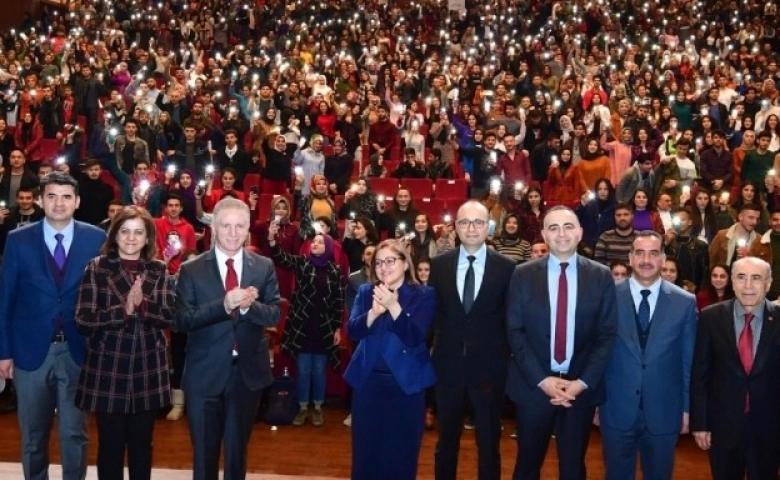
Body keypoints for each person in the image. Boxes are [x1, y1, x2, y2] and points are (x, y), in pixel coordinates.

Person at [0, 171, 106, 480]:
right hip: (30, 352)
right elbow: (5, 299)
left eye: (66, 197)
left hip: (78, 351)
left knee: (75, 433)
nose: (58, 203)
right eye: (51, 196)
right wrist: (3, 352)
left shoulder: (96, 239)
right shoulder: (18, 239)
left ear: (77, 202)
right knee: (33, 436)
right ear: (40, 200)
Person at [506, 205, 617, 480]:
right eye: (553, 228)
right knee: (527, 466)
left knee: (573, 468)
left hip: (579, 390)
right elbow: (515, 331)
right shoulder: (522, 274)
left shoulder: (602, 275)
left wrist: (581, 383)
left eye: (568, 226)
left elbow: (606, 335)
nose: (561, 234)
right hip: (534, 387)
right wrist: (542, 380)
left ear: (580, 232)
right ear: (544, 235)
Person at [173, 197, 281, 480]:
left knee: (237, 455)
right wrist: (223, 306)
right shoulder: (191, 269)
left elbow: (273, 315)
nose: (233, 233)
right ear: (214, 228)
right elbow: (182, 320)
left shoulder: (263, 266)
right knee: (205, 456)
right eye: (226, 226)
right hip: (204, 374)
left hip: (246, 376)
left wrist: (248, 307)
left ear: (248, 229)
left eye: (240, 226)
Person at [75, 205, 176, 480]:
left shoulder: (159, 269)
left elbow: (170, 316)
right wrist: (123, 311)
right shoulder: (96, 268)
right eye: (125, 231)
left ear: (147, 238)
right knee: (110, 446)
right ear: (115, 235)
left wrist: (143, 306)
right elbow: (83, 319)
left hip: (147, 370)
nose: (131, 238)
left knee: (142, 446)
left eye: (138, 232)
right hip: (109, 370)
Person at [428, 200, 516, 480]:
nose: (471, 228)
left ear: (489, 226)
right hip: (448, 367)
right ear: (455, 227)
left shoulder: (507, 267)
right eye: (464, 222)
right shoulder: (439, 265)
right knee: (446, 443)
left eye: (478, 222)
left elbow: (510, 319)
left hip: (489, 369)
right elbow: (435, 315)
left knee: (489, 444)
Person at [599, 231, 697, 480]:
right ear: (630, 258)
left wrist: (686, 408)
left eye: (653, 253)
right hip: (615, 408)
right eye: (640, 253)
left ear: (663, 259)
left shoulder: (685, 303)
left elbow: (687, 362)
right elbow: (598, 354)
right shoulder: (607, 296)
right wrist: (595, 402)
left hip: (665, 411)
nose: (646, 259)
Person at [344, 239, 437, 479]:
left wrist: (394, 307)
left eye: (390, 261)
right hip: (369, 385)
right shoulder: (366, 292)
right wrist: (374, 312)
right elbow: (352, 330)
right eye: (378, 263)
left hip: (406, 387)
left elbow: (415, 336)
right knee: (366, 454)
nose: (384, 267)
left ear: (406, 264)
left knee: (401, 455)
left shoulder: (424, 294)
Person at [691, 256, 780, 480]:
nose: (748, 285)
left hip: (770, 428)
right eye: (741, 277)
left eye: (756, 278)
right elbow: (700, 374)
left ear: (768, 283)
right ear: (732, 281)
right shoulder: (711, 317)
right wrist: (700, 423)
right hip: (723, 426)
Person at [267, 225, 345, 426]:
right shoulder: (303, 263)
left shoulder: (334, 270)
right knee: (303, 369)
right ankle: (302, 407)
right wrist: (272, 240)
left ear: (327, 247)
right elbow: (281, 257)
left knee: (319, 370)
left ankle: (318, 407)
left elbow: (338, 301)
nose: (315, 244)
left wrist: (337, 327)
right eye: (313, 242)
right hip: (303, 325)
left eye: (320, 242)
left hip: (323, 327)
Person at [709, 203, 761, 268]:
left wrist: (749, 258)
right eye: (751, 218)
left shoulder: (759, 240)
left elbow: (763, 268)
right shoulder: (722, 236)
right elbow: (711, 260)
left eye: (757, 219)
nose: (754, 222)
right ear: (740, 217)